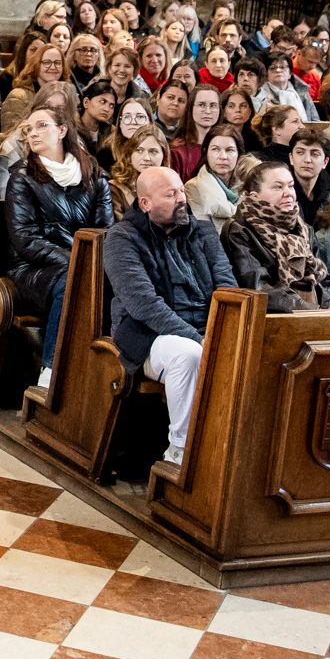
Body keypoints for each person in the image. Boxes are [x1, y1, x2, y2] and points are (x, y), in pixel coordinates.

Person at [104, 165, 234, 468]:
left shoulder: (203, 231)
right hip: (148, 334)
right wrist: (200, 339)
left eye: (181, 191)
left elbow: (227, 287)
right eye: (170, 194)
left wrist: (223, 333)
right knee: (188, 354)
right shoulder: (122, 237)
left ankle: (230, 453)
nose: (181, 199)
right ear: (146, 203)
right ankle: (180, 453)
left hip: (207, 329)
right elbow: (144, 305)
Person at [4, 98, 113, 389]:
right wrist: (76, 262)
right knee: (71, 283)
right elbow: (25, 239)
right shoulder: (22, 178)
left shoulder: (95, 177)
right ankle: (50, 372)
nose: (33, 133)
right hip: (31, 269)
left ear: (63, 130)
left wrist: (88, 264)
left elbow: (105, 231)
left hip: (82, 266)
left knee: (120, 283)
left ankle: (105, 374)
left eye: (41, 126)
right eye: (28, 129)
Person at [221, 162, 330, 310]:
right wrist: (310, 311)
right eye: (278, 187)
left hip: (314, 313)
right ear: (254, 196)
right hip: (272, 317)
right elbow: (259, 288)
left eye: (291, 186)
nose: (288, 193)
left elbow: (325, 280)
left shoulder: (303, 229)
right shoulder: (239, 230)